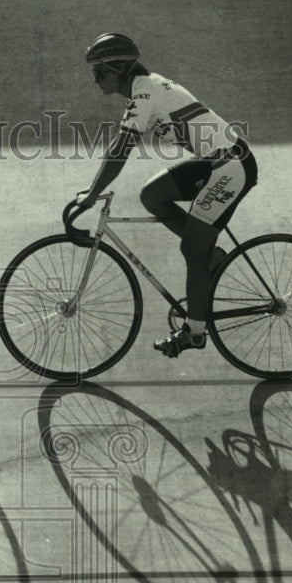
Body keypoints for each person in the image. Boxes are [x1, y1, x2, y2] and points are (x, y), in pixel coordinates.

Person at [73, 32, 258, 358]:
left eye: (99, 72)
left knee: (191, 247)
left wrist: (92, 193)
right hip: (216, 160)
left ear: (119, 69)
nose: (94, 80)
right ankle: (212, 258)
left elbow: (119, 151)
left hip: (231, 167)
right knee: (153, 195)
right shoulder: (144, 90)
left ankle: (194, 332)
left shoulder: (146, 93)